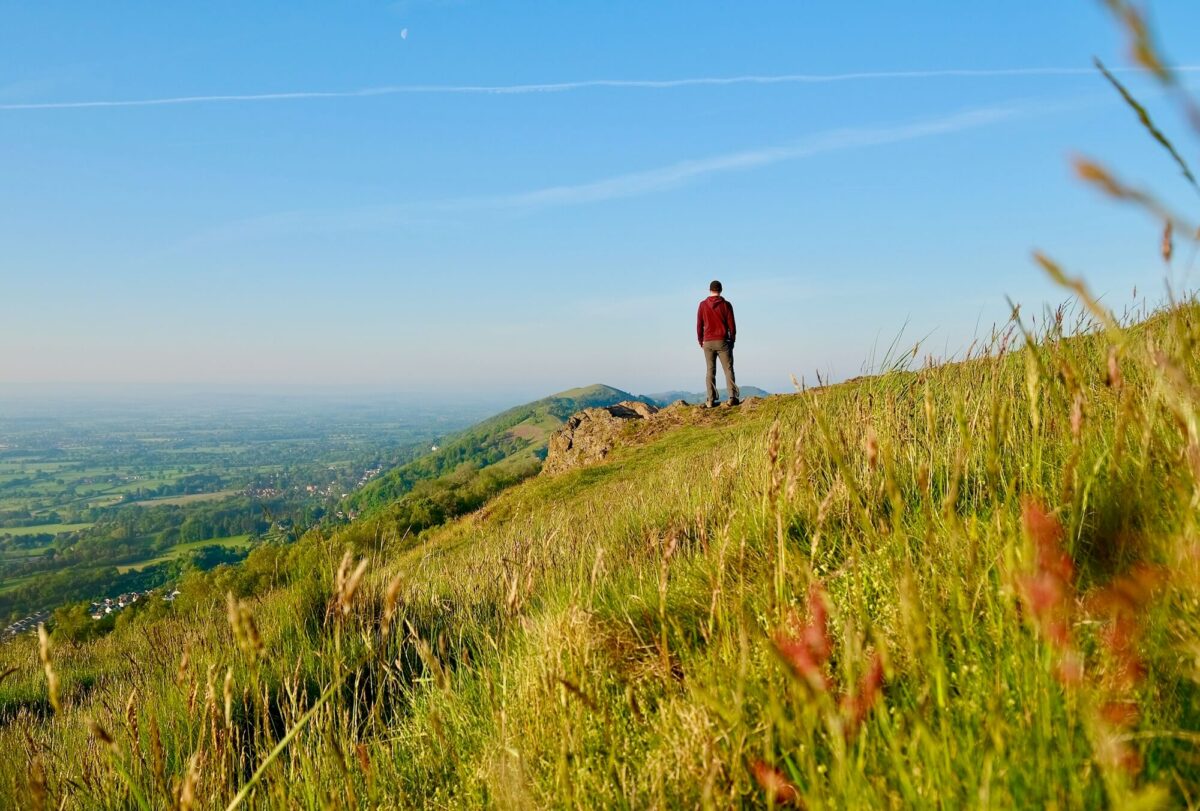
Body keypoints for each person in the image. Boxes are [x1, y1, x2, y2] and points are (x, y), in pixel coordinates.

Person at [696, 280, 740, 407]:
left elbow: (699, 325)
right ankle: (732, 397)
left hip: (708, 342)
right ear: (721, 290)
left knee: (710, 370)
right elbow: (732, 325)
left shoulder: (702, 305)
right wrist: (732, 339)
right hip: (722, 341)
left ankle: (710, 400)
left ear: (709, 290)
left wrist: (701, 341)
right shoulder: (726, 305)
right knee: (728, 369)